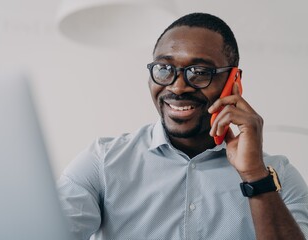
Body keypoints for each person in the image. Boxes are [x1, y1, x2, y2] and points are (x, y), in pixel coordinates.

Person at [58, 12, 308, 239]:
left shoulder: (279, 176)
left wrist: (255, 176)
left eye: (200, 71)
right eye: (164, 69)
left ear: (234, 81)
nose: (177, 87)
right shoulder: (102, 161)